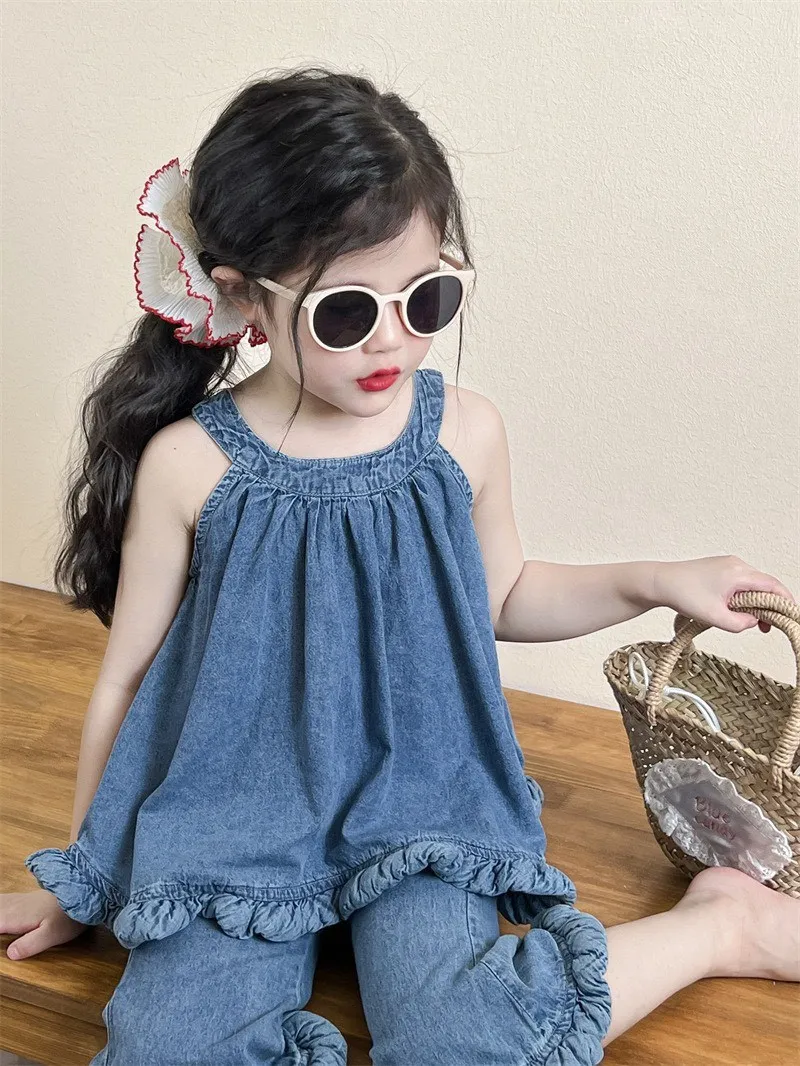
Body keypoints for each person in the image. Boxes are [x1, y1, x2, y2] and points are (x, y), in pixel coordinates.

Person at [1, 66, 798, 1066]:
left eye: (426, 298)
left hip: (421, 806)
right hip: (230, 822)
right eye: (345, 313)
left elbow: (504, 594)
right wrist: (82, 882)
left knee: (459, 1037)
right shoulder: (190, 464)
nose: (392, 340)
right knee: (170, 1048)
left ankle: (718, 926)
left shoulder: (464, 432)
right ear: (241, 295)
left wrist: (653, 579)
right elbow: (126, 678)